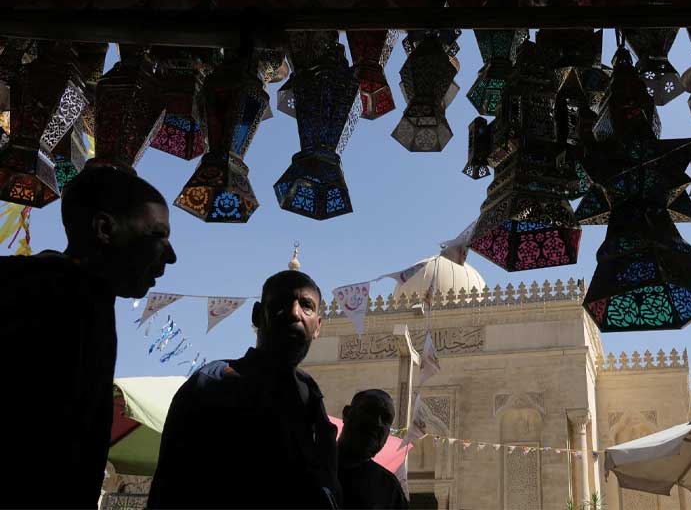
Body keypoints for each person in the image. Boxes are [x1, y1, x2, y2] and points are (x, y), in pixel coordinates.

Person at [0, 166, 177, 508]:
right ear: (105, 228)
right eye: (158, 235)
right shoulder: (44, 297)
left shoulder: (88, 300)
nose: (170, 255)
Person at [147, 270, 341, 509]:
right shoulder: (213, 382)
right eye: (281, 303)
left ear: (318, 327)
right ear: (258, 315)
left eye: (307, 306)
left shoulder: (310, 396)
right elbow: (170, 487)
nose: (294, 313)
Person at [338, 390, 409, 510]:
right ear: (347, 413)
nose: (378, 423)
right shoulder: (308, 465)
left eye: (386, 419)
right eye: (370, 412)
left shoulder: (389, 488)